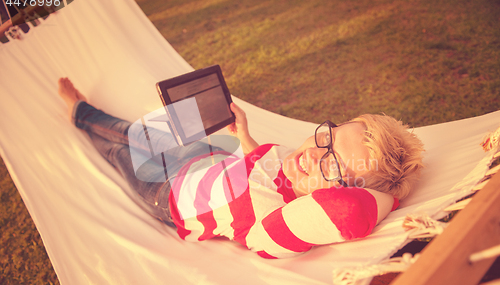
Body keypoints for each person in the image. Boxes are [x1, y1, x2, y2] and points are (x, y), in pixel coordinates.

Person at [58, 77, 424, 259]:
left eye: (333, 164)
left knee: (120, 153)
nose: (314, 153)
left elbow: (349, 211)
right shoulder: (294, 163)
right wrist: (244, 134)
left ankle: (80, 117)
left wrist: (383, 196)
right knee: (134, 133)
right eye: (327, 137)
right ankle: (88, 114)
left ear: (339, 191)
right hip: (201, 163)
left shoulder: (277, 219)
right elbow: (261, 163)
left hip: (169, 196)